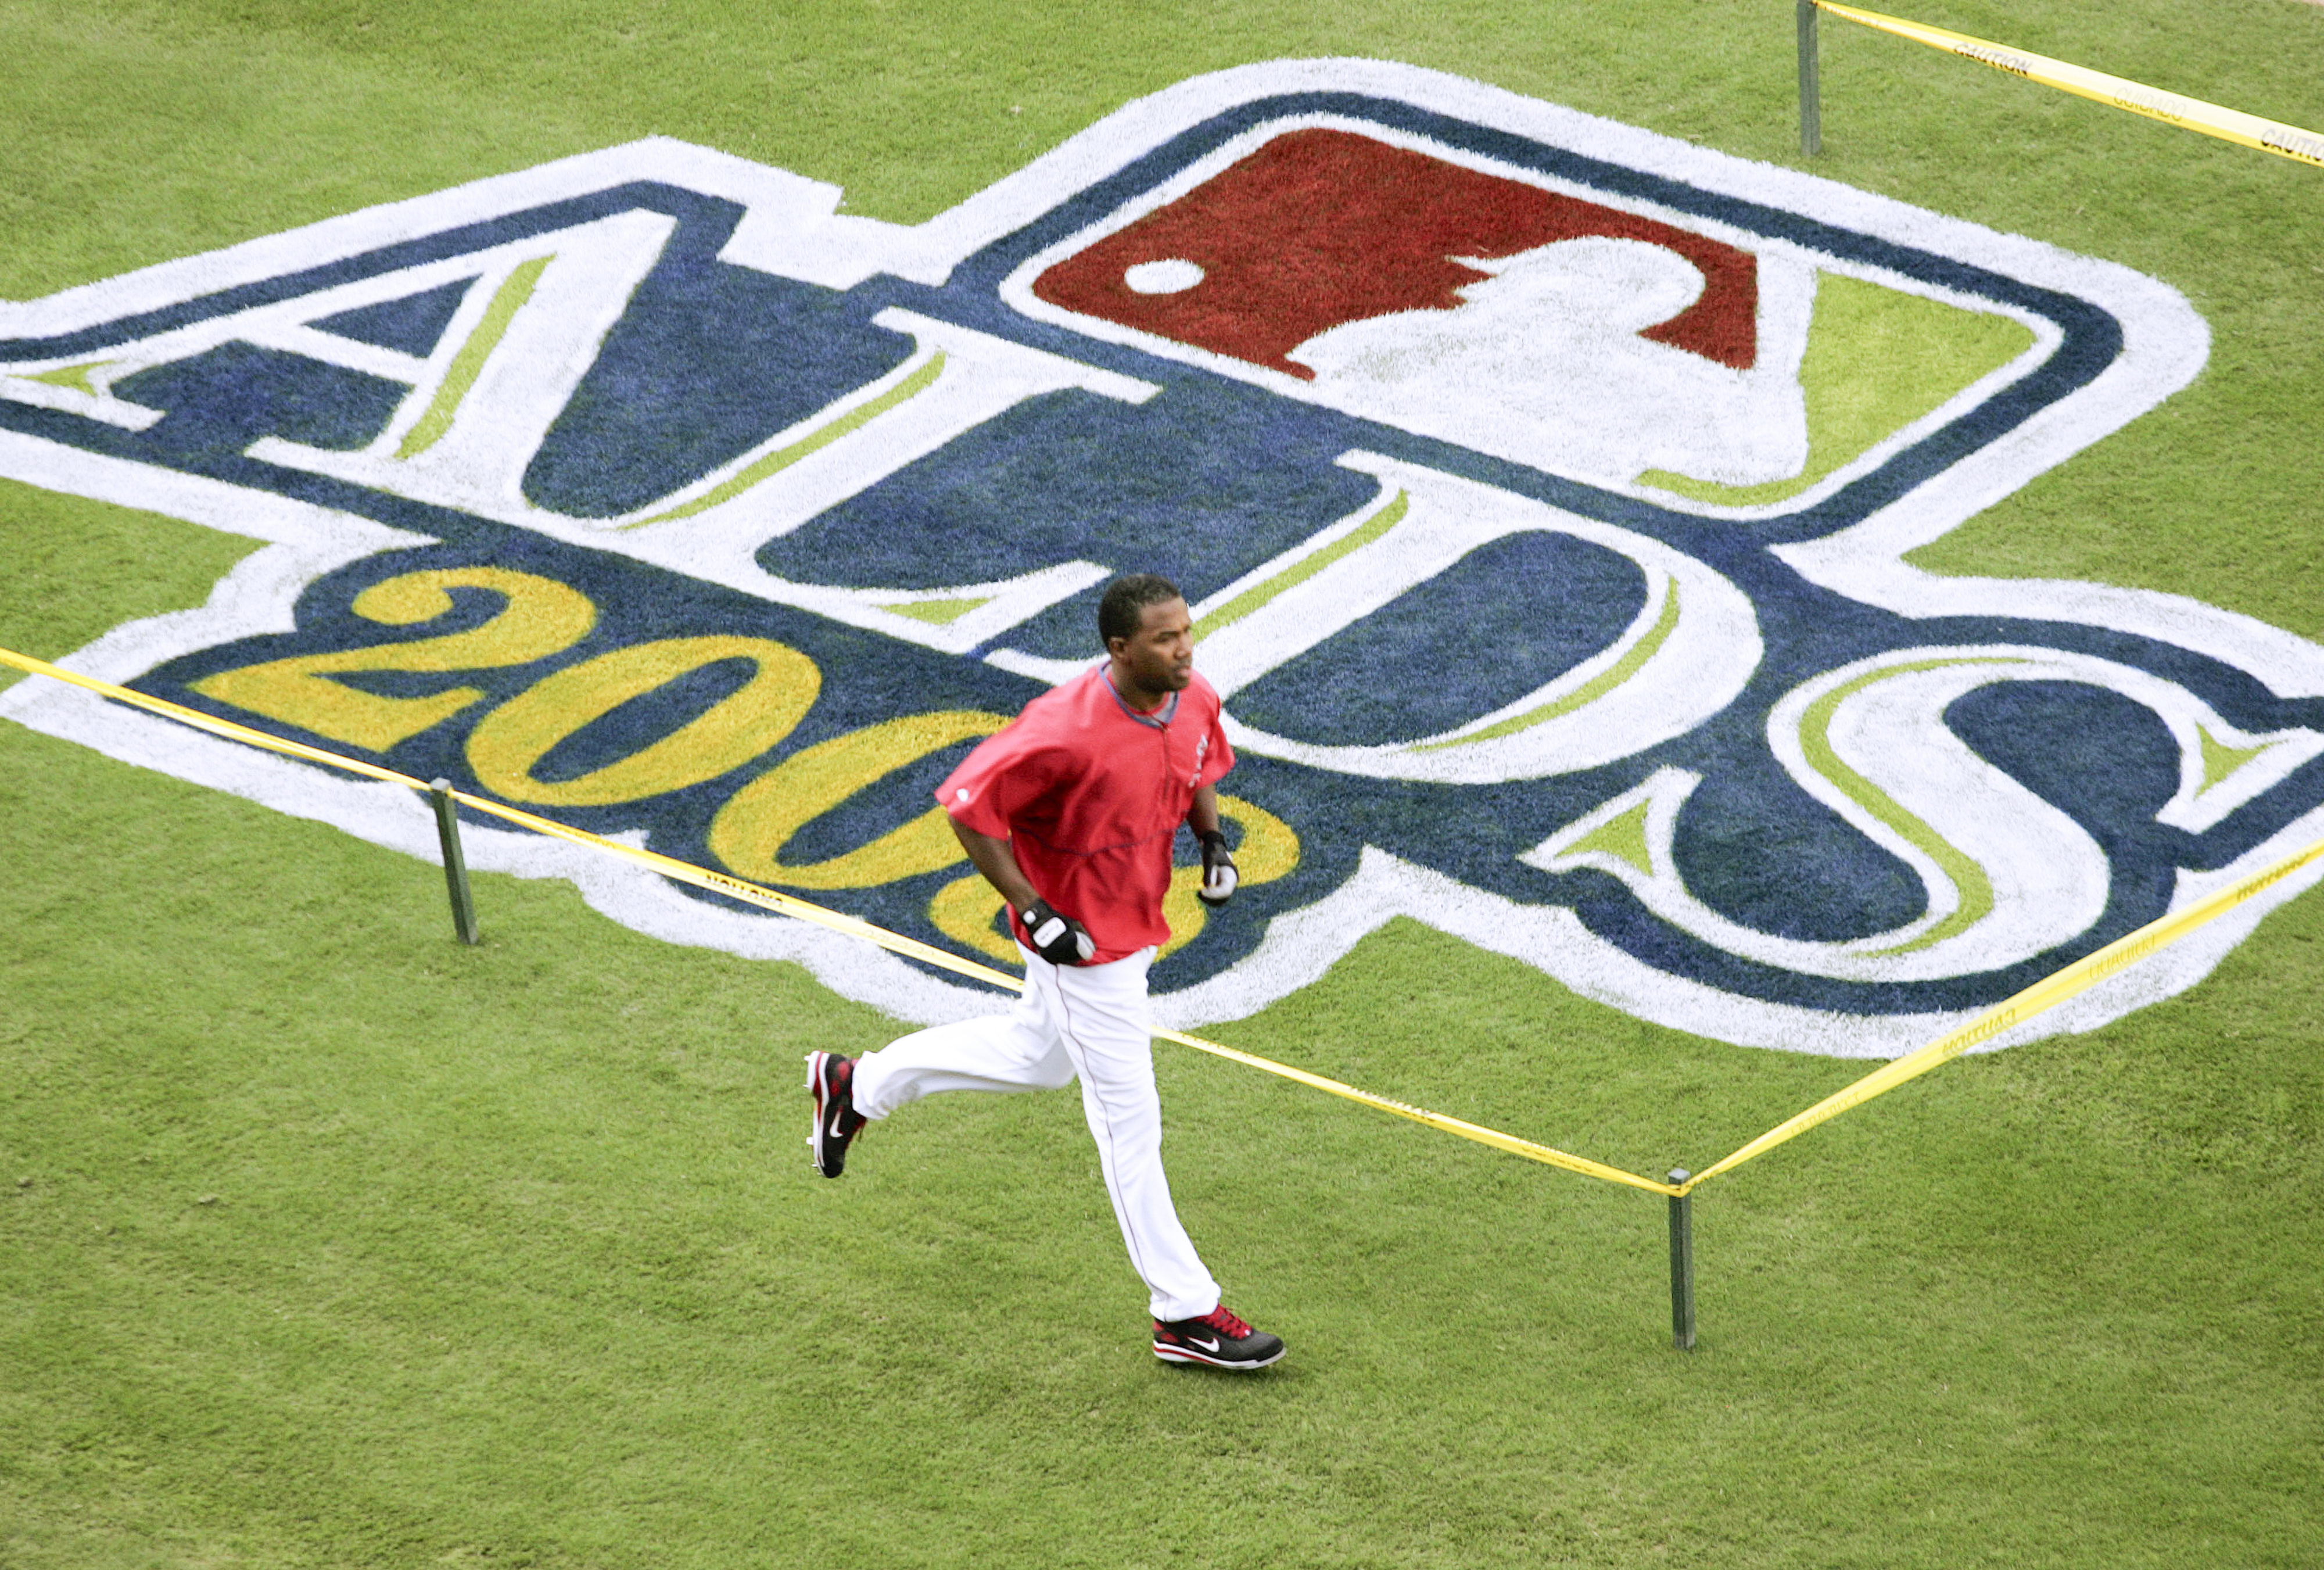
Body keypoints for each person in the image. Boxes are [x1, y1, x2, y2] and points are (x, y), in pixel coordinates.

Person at [804, 573, 1285, 1371]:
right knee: (1130, 1121)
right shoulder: (1063, 727)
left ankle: (858, 1086)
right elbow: (968, 805)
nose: (1184, 648)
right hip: (1081, 944)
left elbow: (1199, 765)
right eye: (1166, 639)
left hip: (1138, 920)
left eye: (1188, 631)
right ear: (1119, 648)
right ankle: (1184, 1311)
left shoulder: (1191, 694)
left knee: (1037, 1057)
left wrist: (1213, 842)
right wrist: (1029, 906)